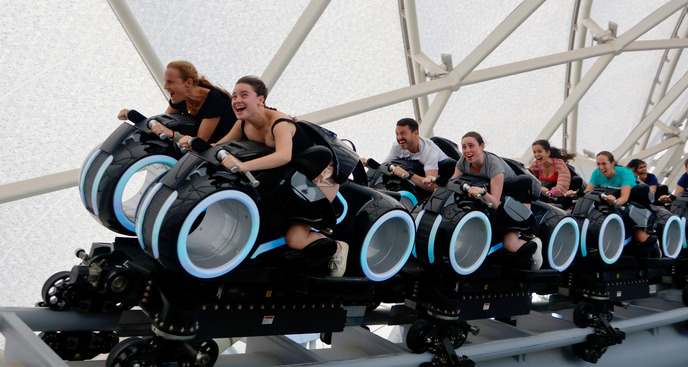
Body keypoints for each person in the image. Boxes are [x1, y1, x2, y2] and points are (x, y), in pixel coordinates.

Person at [181, 75, 348, 277]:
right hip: (291, 177)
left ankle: (337, 247)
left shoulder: (279, 122)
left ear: (260, 99)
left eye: (244, 95)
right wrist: (192, 143)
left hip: (319, 176)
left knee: (295, 239)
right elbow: (219, 146)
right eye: (234, 96)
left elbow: (284, 156)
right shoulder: (243, 123)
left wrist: (243, 166)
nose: (237, 100)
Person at [452, 131, 542, 267]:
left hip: (513, 201)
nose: (467, 150)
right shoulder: (462, 162)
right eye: (464, 147)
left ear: (482, 146)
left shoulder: (494, 165)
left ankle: (534, 244)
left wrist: (482, 192)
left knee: (510, 245)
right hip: (494, 198)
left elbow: (494, 203)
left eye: (471, 146)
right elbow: (452, 183)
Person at [118, 60, 236, 144]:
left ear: (188, 83)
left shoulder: (215, 100)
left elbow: (199, 142)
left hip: (224, 147)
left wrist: (172, 134)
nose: (165, 87)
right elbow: (162, 123)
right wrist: (132, 115)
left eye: (170, 82)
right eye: (165, 82)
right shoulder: (181, 96)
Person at [377, 118, 449, 191]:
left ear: (416, 132)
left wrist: (408, 175)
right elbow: (383, 167)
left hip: (443, 176)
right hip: (417, 179)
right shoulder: (397, 146)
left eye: (403, 133)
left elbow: (433, 187)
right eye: (397, 134)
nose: (399, 138)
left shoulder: (429, 150)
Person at [566, 151, 635, 205]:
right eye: (598, 164)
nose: (601, 167)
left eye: (604, 164)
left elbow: (624, 198)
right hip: (608, 196)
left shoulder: (626, 173)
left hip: (628, 199)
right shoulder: (597, 173)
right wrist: (575, 195)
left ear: (612, 164)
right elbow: (587, 192)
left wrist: (615, 202)